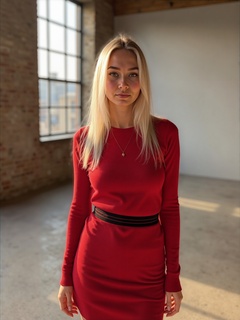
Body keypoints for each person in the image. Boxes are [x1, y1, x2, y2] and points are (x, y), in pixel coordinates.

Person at [58, 33, 183, 320]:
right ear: (102, 79)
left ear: (143, 81)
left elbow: (170, 208)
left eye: (132, 74)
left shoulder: (165, 134)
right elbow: (78, 209)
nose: (123, 84)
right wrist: (66, 275)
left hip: (147, 267)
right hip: (95, 265)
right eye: (113, 74)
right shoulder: (84, 139)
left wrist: (172, 275)